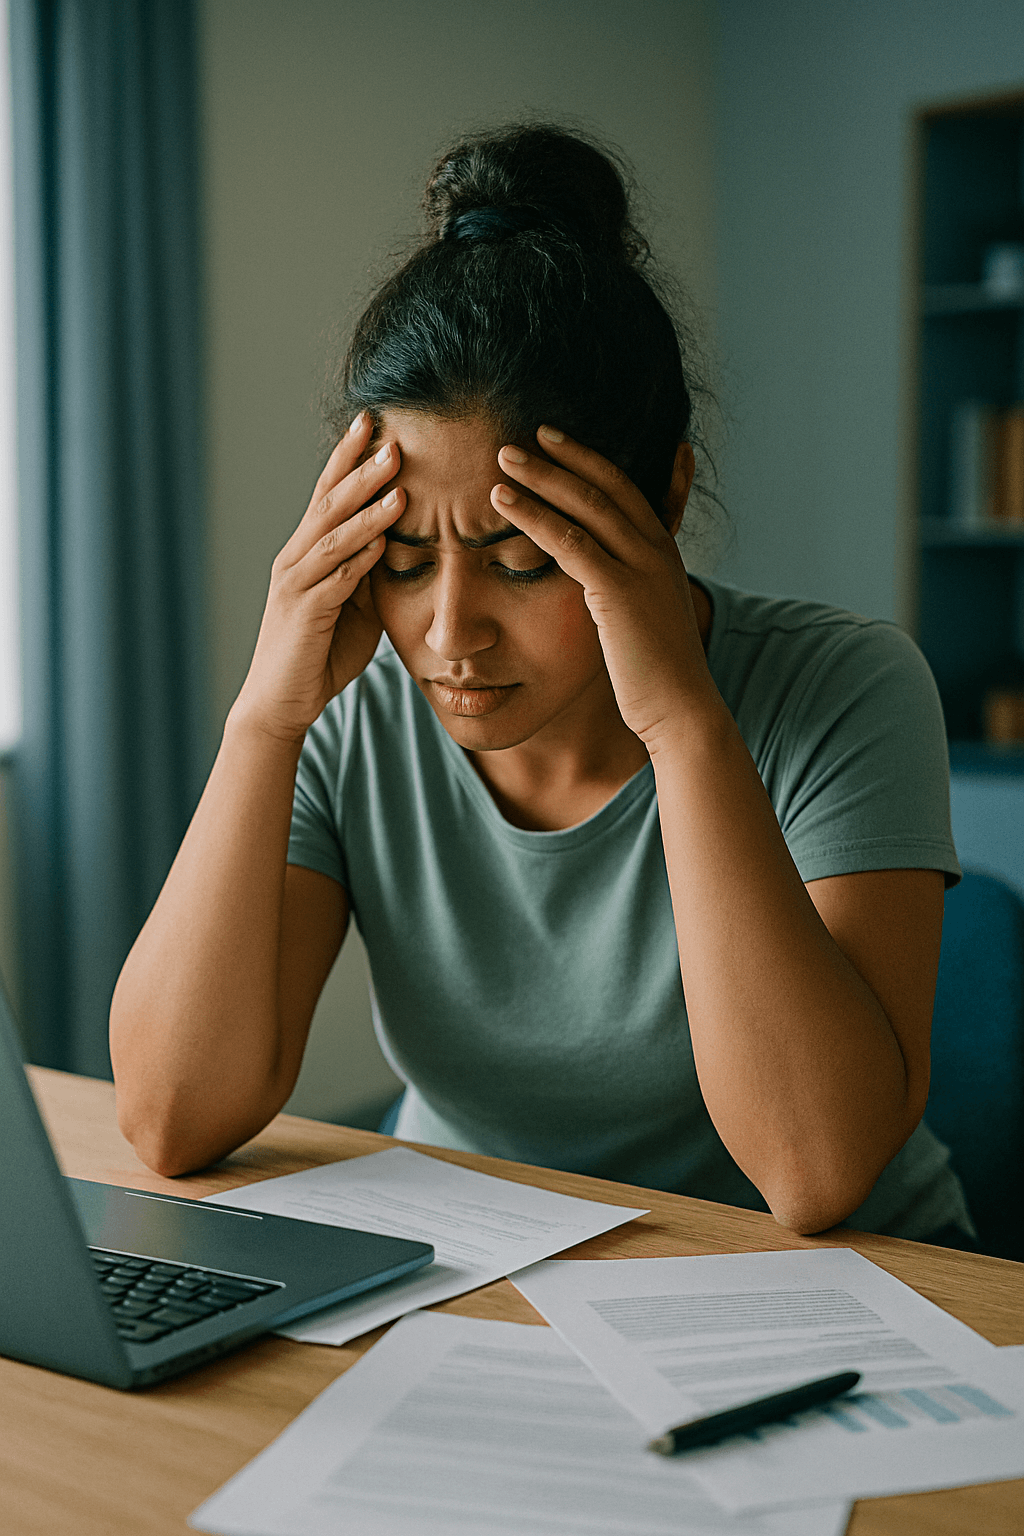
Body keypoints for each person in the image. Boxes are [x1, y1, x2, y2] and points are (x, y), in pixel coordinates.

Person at [110, 123, 974, 1244]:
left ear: (664, 500)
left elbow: (815, 1172)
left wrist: (683, 723)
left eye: (522, 562)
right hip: (487, 1273)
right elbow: (173, 1118)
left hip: (838, 1298)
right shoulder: (349, 713)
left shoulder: (844, 685)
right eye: (406, 561)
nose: (449, 633)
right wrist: (264, 721)